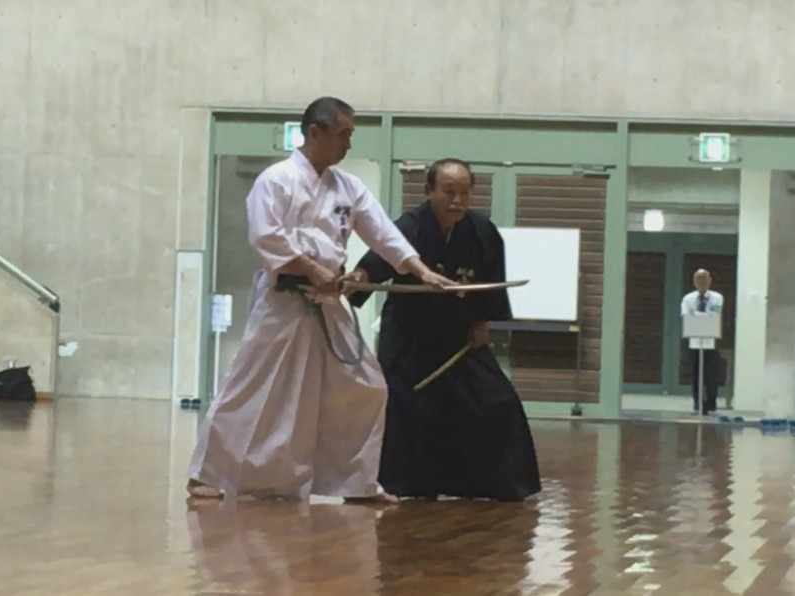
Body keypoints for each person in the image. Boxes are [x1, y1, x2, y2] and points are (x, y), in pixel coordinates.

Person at [186, 97, 452, 503]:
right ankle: (205, 474)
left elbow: (382, 232)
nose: (348, 143)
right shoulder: (276, 180)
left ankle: (357, 483)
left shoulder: (347, 187)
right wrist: (312, 269)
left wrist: (421, 271)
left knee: (367, 386)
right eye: (343, 134)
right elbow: (266, 235)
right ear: (315, 132)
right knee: (251, 388)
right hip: (282, 300)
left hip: (328, 303)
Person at [346, 158, 541, 502]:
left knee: (497, 401)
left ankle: (499, 485)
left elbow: (491, 282)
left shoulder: (481, 231)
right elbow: (379, 262)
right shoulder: (410, 227)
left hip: (460, 339)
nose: (457, 200)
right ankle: (402, 485)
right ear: (428, 191)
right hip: (410, 339)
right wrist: (358, 278)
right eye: (449, 191)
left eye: (464, 192)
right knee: (404, 407)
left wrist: (483, 323)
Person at [680, 269, 724, 415]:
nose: (702, 282)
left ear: (710, 280)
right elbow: (686, 316)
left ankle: (711, 403)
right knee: (695, 373)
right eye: (698, 279)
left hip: (711, 338)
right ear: (694, 281)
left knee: (711, 373)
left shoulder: (717, 297)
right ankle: (697, 403)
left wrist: (696, 314)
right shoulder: (688, 298)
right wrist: (701, 316)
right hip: (693, 338)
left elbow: (714, 314)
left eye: (704, 278)